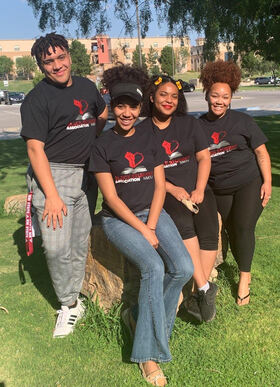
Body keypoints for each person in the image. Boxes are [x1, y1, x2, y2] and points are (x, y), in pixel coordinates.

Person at [88, 64, 193, 386]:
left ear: (139, 107)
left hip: (153, 211)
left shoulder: (149, 136)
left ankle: (137, 319)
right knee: (153, 268)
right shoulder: (102, 146)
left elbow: (160, 184)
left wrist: (152, 220)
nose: (126, 112)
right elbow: (112, 198)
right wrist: (144, 229)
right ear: (113, 107)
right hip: (118, 219)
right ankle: (147, 356)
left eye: (131, 106)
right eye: (119, 105)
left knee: (183, 269)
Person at [20, 32, 108, 337]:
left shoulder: (86, 86)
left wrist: (93, 140)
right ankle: (68, 305)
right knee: (57, 247)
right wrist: (52, 195)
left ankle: (78, 291)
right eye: (49, 61)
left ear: (69, 56)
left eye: (61, 57)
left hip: (87, 175)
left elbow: (101, 113)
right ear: (41, 66)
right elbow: (34, 149)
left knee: (79, 239)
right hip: (54, 176)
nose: (57, 65)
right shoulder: (36, 100)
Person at [139, 75, 219, 322]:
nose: (169, 100)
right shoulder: (141, 132)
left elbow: (204, 158)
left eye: (174, 96)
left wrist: (200, 189)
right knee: (184, 225)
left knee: (208, 230)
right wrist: (172, 190)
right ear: (152, 98)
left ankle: (198, 292)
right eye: (163, 94)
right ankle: (206, 288)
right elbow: (146, 173)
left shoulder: (189, 124)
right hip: (167, 193)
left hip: (197, 187)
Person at [199, 60, 272, 305]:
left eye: (225, 97)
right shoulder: (197, 126)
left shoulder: (243, 122)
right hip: (219, 188)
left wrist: (268, 182)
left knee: (242, 227)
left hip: (248, 182)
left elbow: (261, 153)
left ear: (231, 98)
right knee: (228, 229)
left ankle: (244, 279)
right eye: (215, 95)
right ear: (207, 94)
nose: (220, 101)